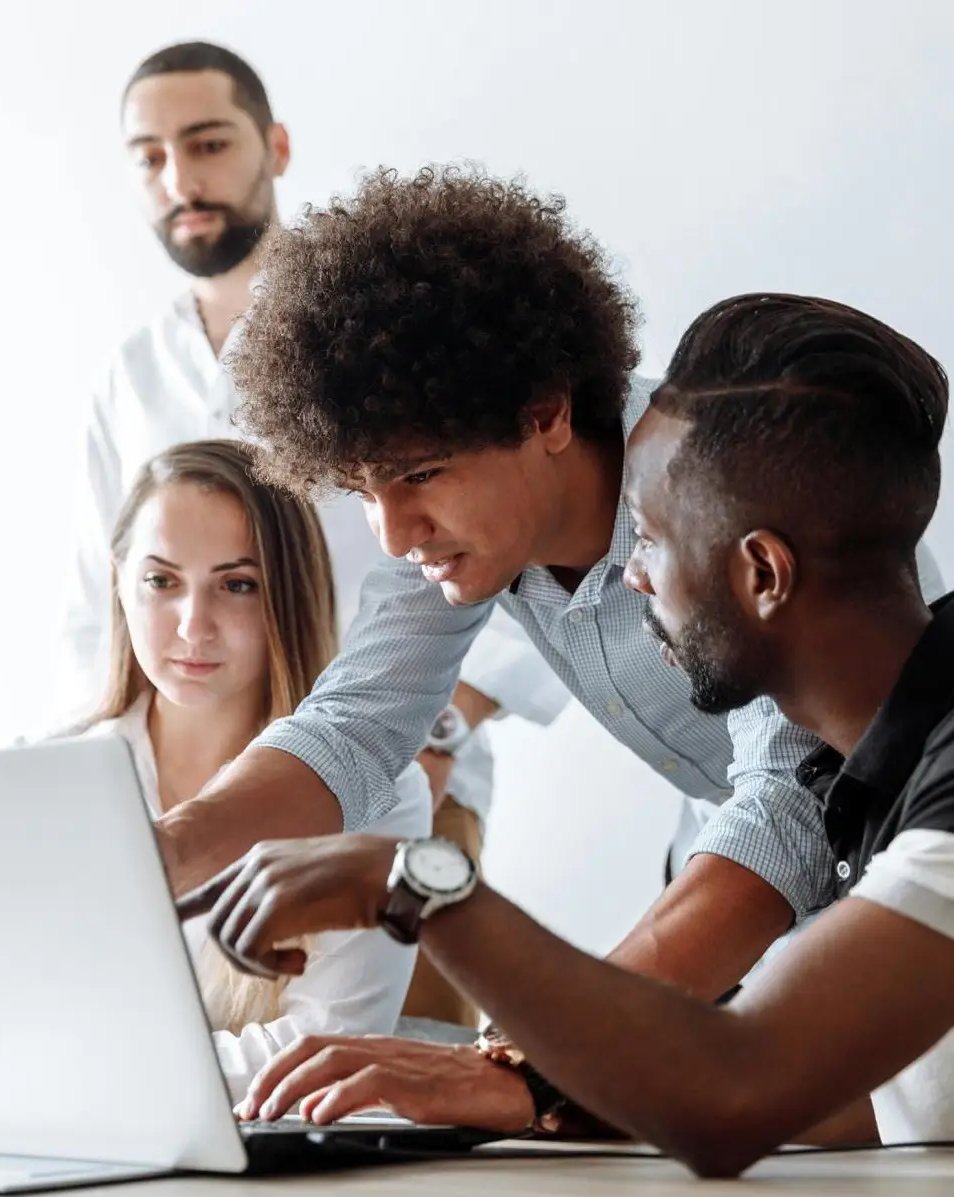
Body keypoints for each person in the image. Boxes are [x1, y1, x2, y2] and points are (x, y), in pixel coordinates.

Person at [179, 294, 954, 1175]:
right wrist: (548, 1080)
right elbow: (853, 1095)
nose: (627, 576)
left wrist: (422, 899)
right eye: (363, 491)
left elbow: (748, 1079)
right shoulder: (886, 780)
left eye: (651, 540)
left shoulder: (724, 479)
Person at [155, 165, 942, 1001]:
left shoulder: (719, 481)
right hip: (726, 878)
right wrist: (160, 853)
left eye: (420, 474)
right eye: (361, 490)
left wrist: (535, 1061)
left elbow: (794, 790)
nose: (394, 531)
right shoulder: (464, 525)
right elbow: (354, 723)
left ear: (546, 414)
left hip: (905, 870)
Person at [62, 42, 569, 1026]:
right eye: (150, 156)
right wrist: (90, 785)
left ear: (275, 146)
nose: (182, 178)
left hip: (401, 769)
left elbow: (511, 524)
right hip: (197, 787)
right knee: (171, 1061)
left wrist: (428, 730)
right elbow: (96, 602)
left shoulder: (380, 335)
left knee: (387, 1085)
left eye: (207, 143)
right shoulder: (129, 379)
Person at [74, 437, 430, 1102]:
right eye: (161, 581)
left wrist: (87, 1069)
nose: (193, 626)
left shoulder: (376, 790)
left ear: (289, 593)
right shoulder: (54, 775)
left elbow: (323, 1049)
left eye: (238, 584)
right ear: (119, 579)